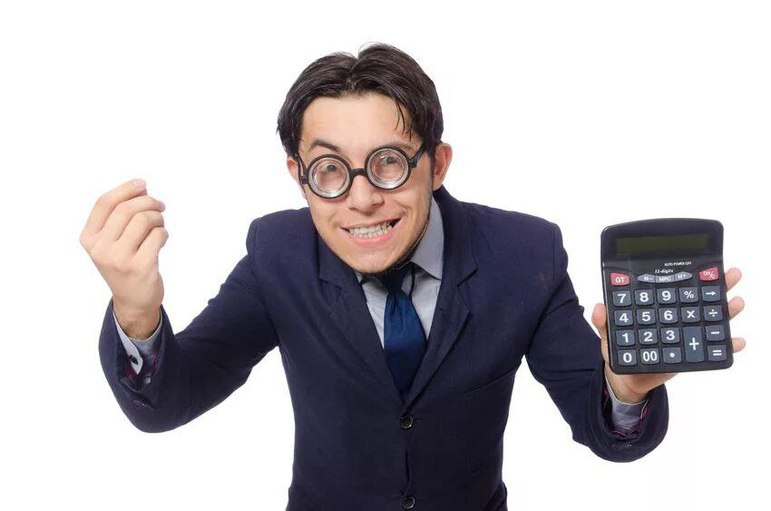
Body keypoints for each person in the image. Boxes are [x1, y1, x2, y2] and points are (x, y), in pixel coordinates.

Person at [80, 43, 746, 511]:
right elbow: (169, 402)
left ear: (438, 163)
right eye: (329, 170)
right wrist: (136, 313)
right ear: (298, 177)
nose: (362, 199)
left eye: (390, 163)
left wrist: (624, 390)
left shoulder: (525, 254)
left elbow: (607, 433)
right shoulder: (278, 252)